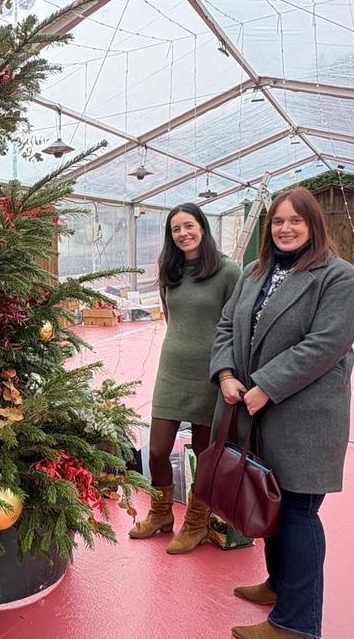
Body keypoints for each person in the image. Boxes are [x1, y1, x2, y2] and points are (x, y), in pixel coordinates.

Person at [209, 187, 354, 639]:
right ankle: (279, 584)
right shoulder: (255, 272)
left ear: (314, 224)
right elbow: (226, 325)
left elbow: (325, 344)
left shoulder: (339, 278)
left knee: (298, 512)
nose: (286, 228)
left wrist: (267, 386)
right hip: (254, 410)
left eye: (296, 220)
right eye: (278, 221)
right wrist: (225, 374)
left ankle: (296, 623)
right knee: (271, 502)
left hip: (304, 417)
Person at [130, 203, 240, 555]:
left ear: (203, 228)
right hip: (172, 371)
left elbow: (235, 326)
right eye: (175, 229)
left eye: (188, 226)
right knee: (158, 450)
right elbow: (172, 319)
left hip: (211, 374)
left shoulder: (227, 272)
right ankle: (161, 513)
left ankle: (197, 521)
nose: (182, 234)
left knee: (204, 453)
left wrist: (227, 371)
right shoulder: (170, 270)